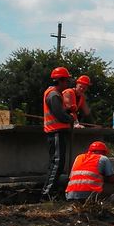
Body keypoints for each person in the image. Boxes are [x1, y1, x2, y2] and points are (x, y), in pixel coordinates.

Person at [41, 66, 75, 200]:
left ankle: (49, 192)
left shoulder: (53, 93)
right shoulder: (53, 94)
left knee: (56, 163)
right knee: (57, 163)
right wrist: (70, 118)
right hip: (55, 132)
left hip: (56, 132)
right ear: (60, 81)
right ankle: (46, 194)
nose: (67, 84)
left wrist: (67, 110)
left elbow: (60, 111)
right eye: (66, 81)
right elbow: (59, 115)